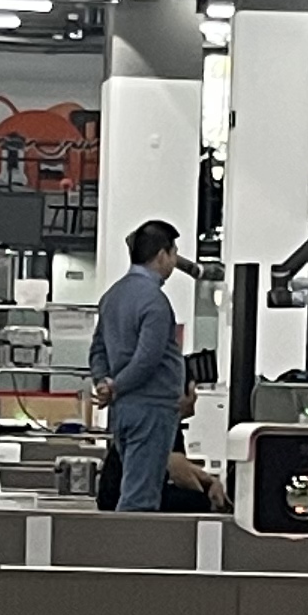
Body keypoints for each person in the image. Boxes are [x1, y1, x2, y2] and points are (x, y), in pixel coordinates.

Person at [88, 217, 189, 511]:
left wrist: (104, 382)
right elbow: (147, 359)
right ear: (162, 255)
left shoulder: (112, 296)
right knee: (140, 499)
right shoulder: (155, 302)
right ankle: (131, 542)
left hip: (123, 411)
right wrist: (115, 387)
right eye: (174, 253)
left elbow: (97, 349)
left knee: (132, 486)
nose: (174, 262)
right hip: (152, 409)